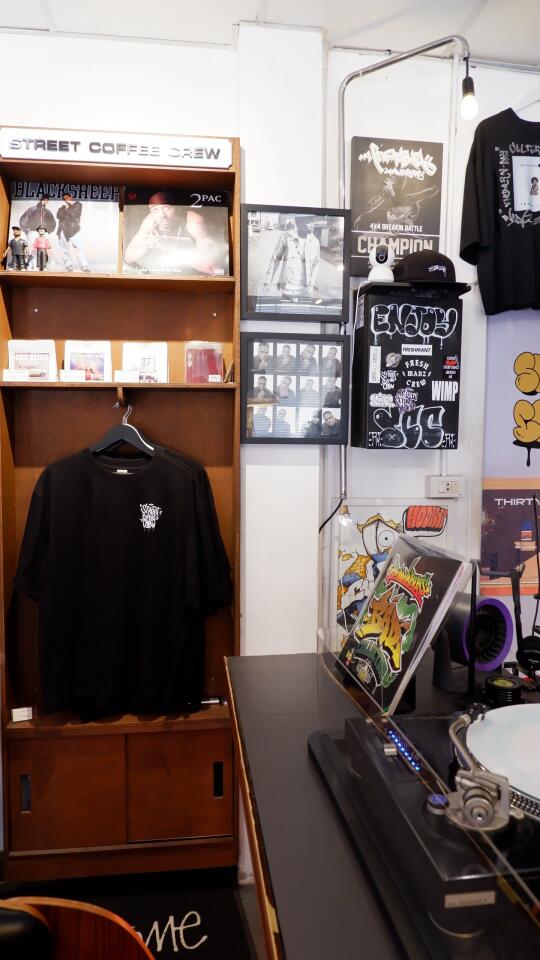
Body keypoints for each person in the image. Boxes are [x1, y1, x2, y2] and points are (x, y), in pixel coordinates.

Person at [124, 190, 195, 273]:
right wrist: (145, 245)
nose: (162, 215)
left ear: (177, 208)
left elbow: (207, 265)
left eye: (167, 208)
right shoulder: (150, 221)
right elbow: (128, 258)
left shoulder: (192, 221)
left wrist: (167, 246)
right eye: (155, 210)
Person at [264, 217, 305, 300]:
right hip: (288, 283)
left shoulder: (313, 240)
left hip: (305, 286)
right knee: (286, 305)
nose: (312, 224)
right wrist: (268, 281)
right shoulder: (286, 236)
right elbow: (276, 259)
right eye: (307, 220)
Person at [185, 207, 229, 276]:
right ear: (187, 227)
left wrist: (213, 271)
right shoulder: (186, 250)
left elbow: (227, 272)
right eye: (195, 224)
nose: (200, 227)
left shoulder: (221, 248)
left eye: (201, 223)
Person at [56, 193, 90, 272]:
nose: (66, 200)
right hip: (63, 230)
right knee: (65, 249)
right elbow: (58, 215)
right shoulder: (62, 207)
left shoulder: (78, 204)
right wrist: (66, 209)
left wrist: (68, 208)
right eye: (64, 199)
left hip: (74, 230)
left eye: (67, 198)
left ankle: (84, 266)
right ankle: (68, 266)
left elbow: (74, 214)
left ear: (71, 197)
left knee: (78, 248)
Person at [304, 221, 320, 295]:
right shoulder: (295, 239)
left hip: (307, 284)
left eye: (313, 223)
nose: (313, 226)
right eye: (310, 222)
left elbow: (316, 264)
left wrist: (312, 283)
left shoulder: (316, 242)